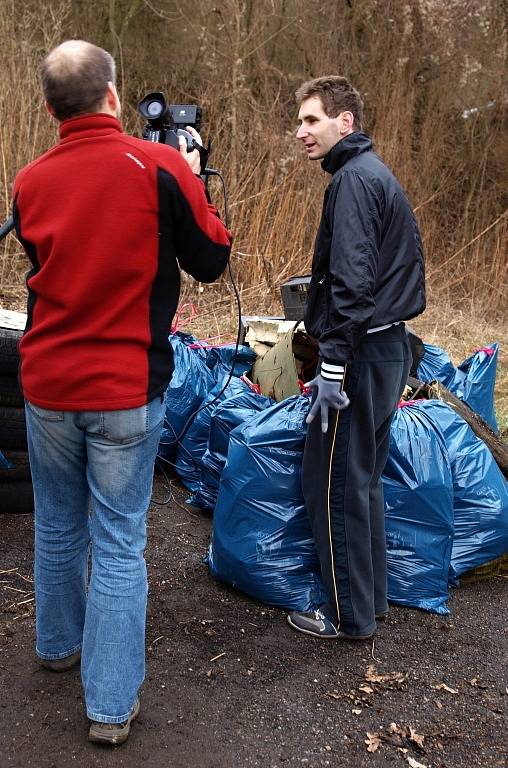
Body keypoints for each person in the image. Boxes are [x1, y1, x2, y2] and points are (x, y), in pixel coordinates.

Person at [12, 40, 231, 744]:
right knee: (117, 541)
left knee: (56, 519)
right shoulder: (162, 165)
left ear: (50, 108)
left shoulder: (29, 181)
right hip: (125, 388)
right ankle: (108, 707)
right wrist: (196, 179)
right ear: (113, 96)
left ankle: (56, 646)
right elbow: (212, 259)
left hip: (46, 383)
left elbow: (48, 262)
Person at [287, 76, 425, 641]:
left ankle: (347, 615)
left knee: (336, 483)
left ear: (345, 122)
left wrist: (333, 364)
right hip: (388, 347)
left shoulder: (352, 182)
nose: (301, 133)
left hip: (362, 352)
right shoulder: (375, 176)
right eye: (299, 122)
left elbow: (353, 282)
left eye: (312, 120)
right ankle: (373, 603)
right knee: (365, 480)